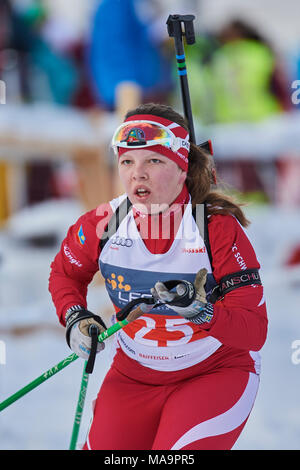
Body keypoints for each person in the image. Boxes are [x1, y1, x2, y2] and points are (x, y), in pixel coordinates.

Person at [48, 103, 268, 450]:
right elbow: (65, 273)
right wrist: (75, 317)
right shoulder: (102, 224)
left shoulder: (215, 230)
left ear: (182, 169)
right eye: (127, 162)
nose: (138, 173)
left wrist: (199, 311)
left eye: (154, 160)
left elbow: (253, 331)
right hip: (133, 376)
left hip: (213, 372)